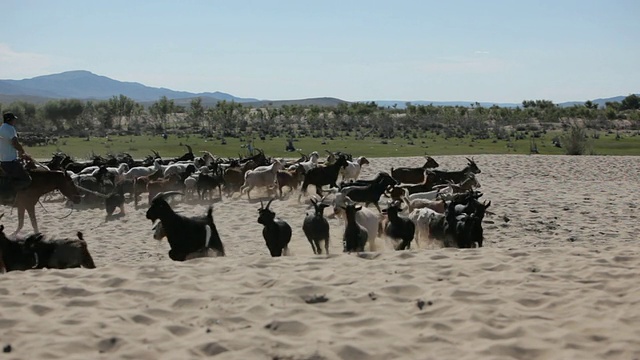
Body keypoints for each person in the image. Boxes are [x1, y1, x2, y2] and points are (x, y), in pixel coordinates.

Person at [0, 112, 33, 198]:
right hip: (11, 161)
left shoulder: (1, 128)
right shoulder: (10, 128)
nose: (15, 121)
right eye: (14, 119)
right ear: (9, 120)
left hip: (3, 161)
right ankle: (11, 194)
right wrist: (22, 151)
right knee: (27, 180)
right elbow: (15, 143)